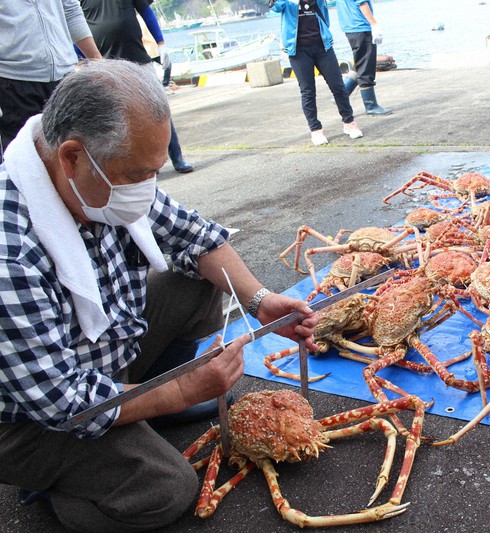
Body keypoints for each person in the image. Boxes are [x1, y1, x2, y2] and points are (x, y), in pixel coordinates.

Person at [0, 59, 319, 531]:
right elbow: (64, 402)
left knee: (206, 280)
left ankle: (141, 408)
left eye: (155, 171)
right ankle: (62, 484)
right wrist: (183, 390)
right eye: (136, 174)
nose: (147, 189)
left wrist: (259, 300)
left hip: (98, 358)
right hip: (29, 416)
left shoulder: (98, 174)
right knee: (166, 491)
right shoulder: (10, 253)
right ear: (71, 157)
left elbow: (199, 238)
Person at [79, 0, 194, 173]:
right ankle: (135, 167)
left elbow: (146, 12)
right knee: (116, 117)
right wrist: (81, 57)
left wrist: (161, 43)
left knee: (158, 109)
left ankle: (177, 157)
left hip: (138, 57)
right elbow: (75, 26)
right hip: (104, 63)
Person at [0, 0, 102, 162]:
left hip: (65, 75)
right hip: (13, 78)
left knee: (78, 152)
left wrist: (95, 57)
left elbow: (70, 10)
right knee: (27, 159)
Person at [269, 0, 364, 145]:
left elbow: (325, 16)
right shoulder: (288, 2)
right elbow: (275, 7)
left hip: (323, 46)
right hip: (298, 51)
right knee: (307, 91)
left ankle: (349, 122)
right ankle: (316, 130)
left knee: (338, 86)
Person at [337, 0, 392, 115]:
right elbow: (362, 3)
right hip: (360, 26)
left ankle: (342, 94)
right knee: (366, 67)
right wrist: (374, 24)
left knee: (361, 63)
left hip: (350, 26)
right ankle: (370, 105)